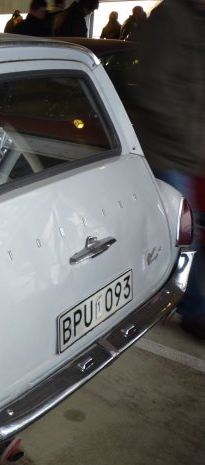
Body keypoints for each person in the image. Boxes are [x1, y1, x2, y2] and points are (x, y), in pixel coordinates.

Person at [134, 0, 205, 339]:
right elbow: (153, 85)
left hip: (193, 151)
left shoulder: (195, 20)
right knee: (182, 236)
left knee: (192, 233)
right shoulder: (171, 17)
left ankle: (191, 304)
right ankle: (191, 308)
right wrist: (185, 135)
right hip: (171, 151)